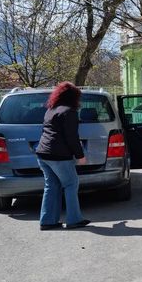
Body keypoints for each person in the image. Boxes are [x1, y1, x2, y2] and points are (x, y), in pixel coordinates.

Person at [35, 82, 91, 230]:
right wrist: (80, 156)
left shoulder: (50, 110)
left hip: (42, 154)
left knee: (51, 186)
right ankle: (74, 220)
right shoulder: (69, 112)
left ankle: (47, 221)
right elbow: (72, 137)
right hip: (58, 156)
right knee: (71, 184)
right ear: (74, 97)